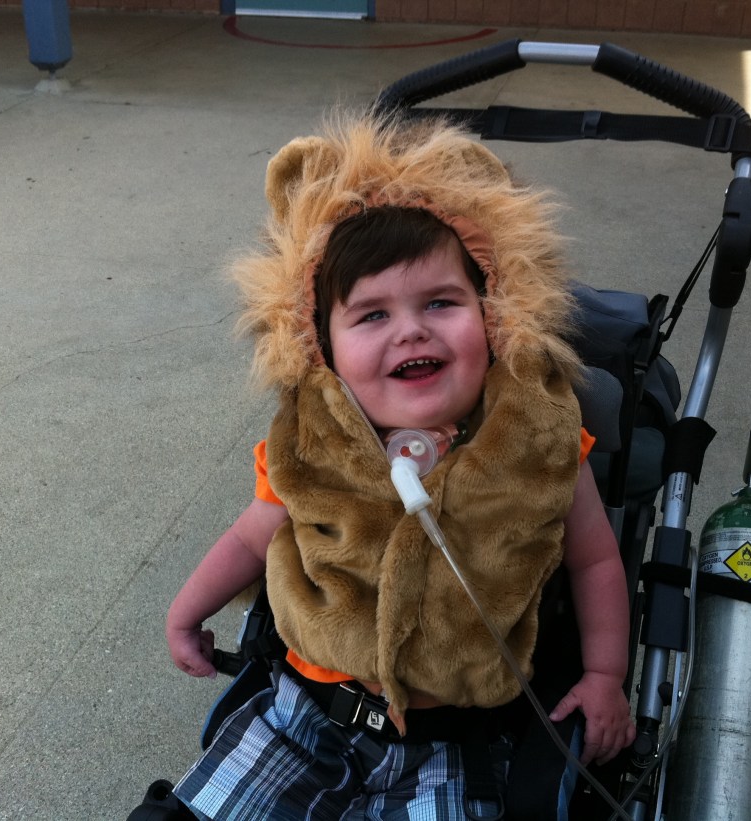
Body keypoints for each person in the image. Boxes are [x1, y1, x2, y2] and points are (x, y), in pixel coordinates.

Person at [158, 111, 635, 820]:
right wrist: (186, 613)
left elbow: (594, 561)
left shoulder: (538, 441)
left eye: (441, 302)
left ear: (494, 316)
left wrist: (605, 674)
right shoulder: (314, 440)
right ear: (321, 344)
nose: (411, 329)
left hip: (454, 737)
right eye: (372, 315)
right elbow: (252, 537)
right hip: (301, 712)